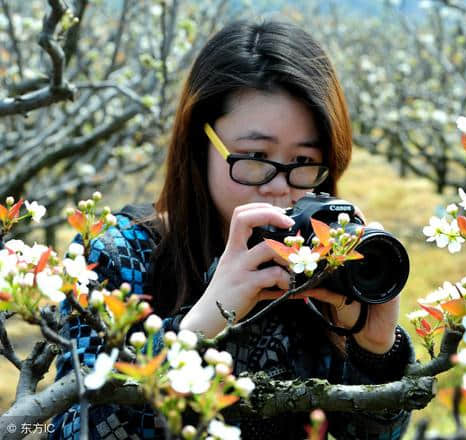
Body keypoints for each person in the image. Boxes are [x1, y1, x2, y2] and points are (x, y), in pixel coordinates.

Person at [50, 20, 414, 439]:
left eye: (303, 162)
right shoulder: (115, 257)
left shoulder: (320, 266)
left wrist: (375, 349)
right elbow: (74, 429)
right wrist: (204, 321)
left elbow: (375, 434)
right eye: (255, 156)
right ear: (199, 143)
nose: (279, 186)